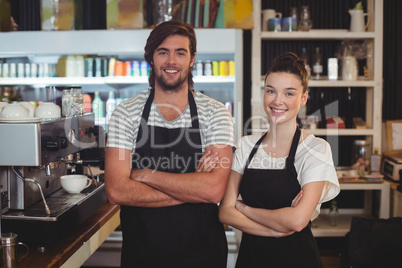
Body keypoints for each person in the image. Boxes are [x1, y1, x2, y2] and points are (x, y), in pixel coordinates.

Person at [104, 20, 234, 268]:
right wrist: (193, 186)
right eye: (163, 52)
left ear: (192, 58)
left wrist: (145, 175)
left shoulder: (215, 113)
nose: (171, 61)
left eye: (180, 52)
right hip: (142, 255)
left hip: (204, 255)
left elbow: (214, 190)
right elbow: (117, 191)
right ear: (151, 58)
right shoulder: (126, 113)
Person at [219, 52, 341, 267]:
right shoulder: (246, 145)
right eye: (271, 91)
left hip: (298, 259)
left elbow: (297, 220)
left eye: (289, 93)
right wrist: (275, 230)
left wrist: (244, 209)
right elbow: (226, 212)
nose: (277, 101)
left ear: (303, 98)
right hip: (251, 259)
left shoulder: (315, 149)